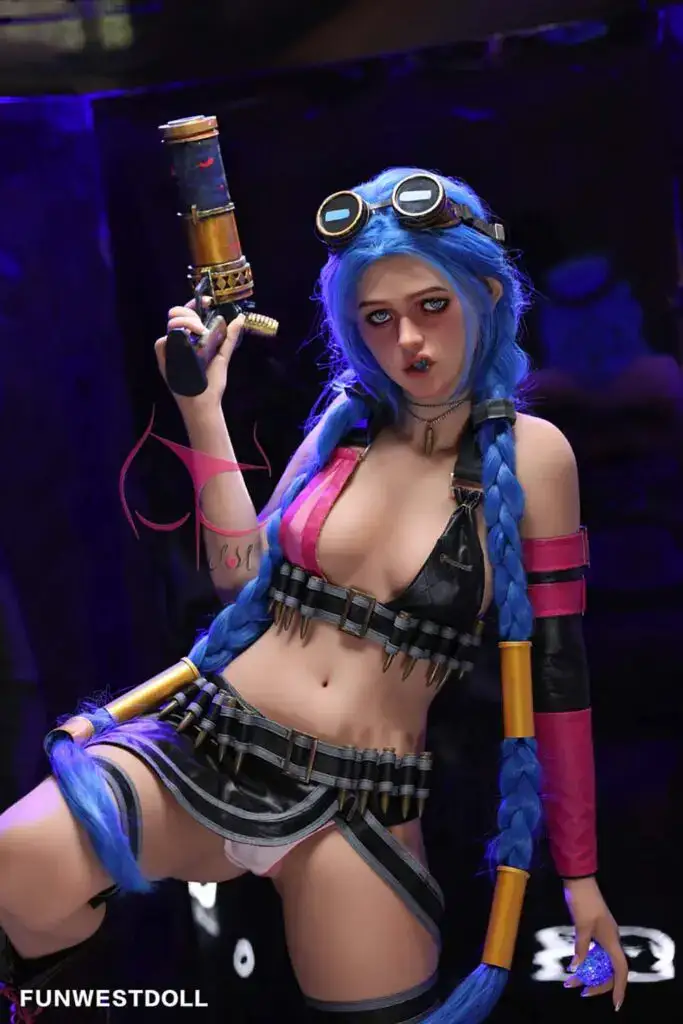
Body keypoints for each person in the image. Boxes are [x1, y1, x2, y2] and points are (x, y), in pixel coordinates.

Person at [0, 168, 629, 1023]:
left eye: (431, 305)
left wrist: (581, 876)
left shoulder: (535, 455)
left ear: (485, 294)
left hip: (362, 804)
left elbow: (557, 678)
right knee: (18, 867)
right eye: (378, 318)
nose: (408, 340)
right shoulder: (345, 426)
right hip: (210, 739)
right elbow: (237, 574)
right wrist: (202, 410)